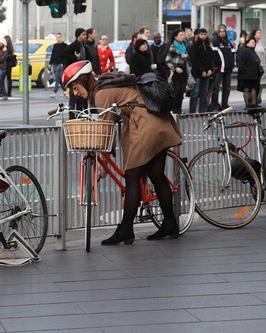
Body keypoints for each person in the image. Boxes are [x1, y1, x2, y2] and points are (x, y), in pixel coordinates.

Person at [61, 60, 182, 245]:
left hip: (145, 126)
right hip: (159, 122)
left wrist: (103, 157)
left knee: (132, 175)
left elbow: (105, 128)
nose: (75, 93)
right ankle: (170, 223)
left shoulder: (101, 92)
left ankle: (126, 229)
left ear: (84, 80)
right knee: (156, 175)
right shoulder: (104, 83)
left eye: (75, 87)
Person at [61, 27, 90, 117]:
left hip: (83, 75)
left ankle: (82, 115)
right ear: (78, 36)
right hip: (75, 75)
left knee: (83, 97)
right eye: (83, 35)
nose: (85, 36)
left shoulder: (84, 45)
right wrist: (75, 57)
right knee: (74, 96)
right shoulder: (74, 45)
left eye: (86, 34)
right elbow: (64, 54)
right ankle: (72, 116)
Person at [188, 28, 213, 114]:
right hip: (197, 72)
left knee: (204, 92)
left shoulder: (207, 46)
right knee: (195, 92)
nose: (203, 36)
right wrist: (201, 70)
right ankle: (192, 111)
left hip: (207, 72)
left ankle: (203, 110)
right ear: (198, 35)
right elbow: (194, 60)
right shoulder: (194, 46)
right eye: (201, 34)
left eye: (204, 34)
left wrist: (210, 69)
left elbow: (210, 58)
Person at [210, 24, 235, 111]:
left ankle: (225, 104)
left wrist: (231, 65)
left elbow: (232, 54)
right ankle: (215, 105)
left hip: (228, 69)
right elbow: (213, 55)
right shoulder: (215, 42)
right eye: (220, 31)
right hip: (219, 69)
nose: (222, 33)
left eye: (223, 31)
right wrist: (219, 64)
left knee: (227, 88)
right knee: (216, 88)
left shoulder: (229, 43)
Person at [165, 29, 189, 114]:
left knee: (182, 92)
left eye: (183, 35)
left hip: (184, 69)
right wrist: (175, 68)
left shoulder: (183, 45)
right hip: (176, 71)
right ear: (175, 37)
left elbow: (187, 57)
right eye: (180, 35)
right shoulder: (173, 46)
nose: (183, 37)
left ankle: (179, 109)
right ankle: (174, 110)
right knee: (176, 91)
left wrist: (186, 56)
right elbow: (167, 60)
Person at [236, 37, 263, 109]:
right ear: (247, 43)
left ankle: (254, 103)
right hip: (246, 75)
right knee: (247, 89)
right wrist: (246, 71)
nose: (253, 43)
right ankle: (247, 104)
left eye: (254, 42)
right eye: (252, 42)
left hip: (254, 75)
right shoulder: (244, 51)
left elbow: (257, 62)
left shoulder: (253, 51)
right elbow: (241, 63)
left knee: (253, 88)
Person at [48, 32, 68, 98]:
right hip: (55, 64)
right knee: (59, 79)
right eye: (57, 37)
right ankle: (65, 90)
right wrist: (50, 64)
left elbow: (66, 56)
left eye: (59, 37)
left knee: (57, 78)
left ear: (61, 37)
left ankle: (54, 92)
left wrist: (63, 63)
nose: (58, 39)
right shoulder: (55, 45)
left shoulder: (65, 46)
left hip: (60, 64)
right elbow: (53, 55)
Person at [250, 28, 266, 105]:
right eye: (258, 33)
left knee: (257, 85)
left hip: (261, 67)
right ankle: (253, 102)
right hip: (254, 68)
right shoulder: (253, 43)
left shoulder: (259, 43)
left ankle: (256, 100)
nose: (260, 34)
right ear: (254, 35)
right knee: (254, 85)